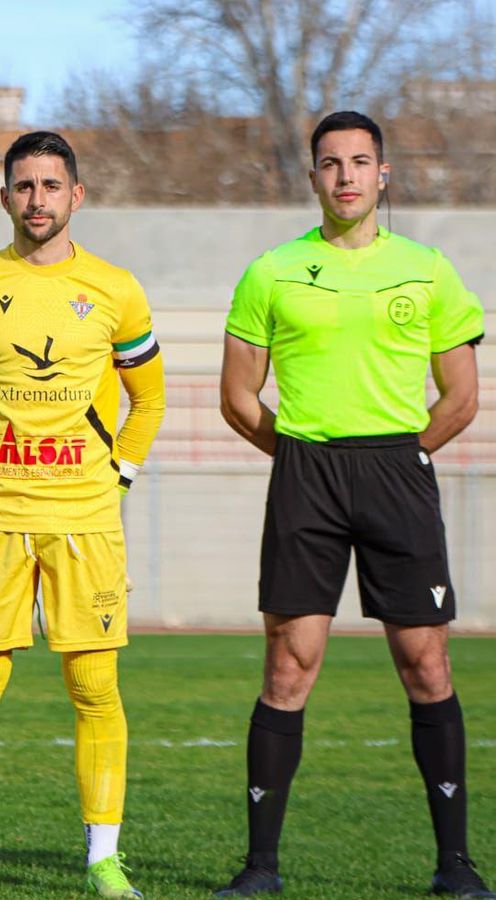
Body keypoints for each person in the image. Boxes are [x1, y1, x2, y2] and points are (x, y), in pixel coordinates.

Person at [215, 111, 492, 898]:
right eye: (331, 163)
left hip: (398, 474)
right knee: (289, 664)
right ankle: (260, 868)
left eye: (360, 162)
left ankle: (457, 865)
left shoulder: (428, 270)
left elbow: (462, 395)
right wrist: (304, 457)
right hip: (307, 475)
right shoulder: (271, 272)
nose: (345, 176)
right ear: (312, 178)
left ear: (383, 175)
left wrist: (404, 456)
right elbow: (238, 397)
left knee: (426, 663)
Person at [0, 131, 165, 898]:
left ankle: (103, 859)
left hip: (86, 519)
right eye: (23, 187)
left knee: (95, 686)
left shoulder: (117, 289)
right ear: (4, 198)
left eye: (51, 186)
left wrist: (118, 473)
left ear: (76, 195)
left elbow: (148, 397)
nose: (37, 200)